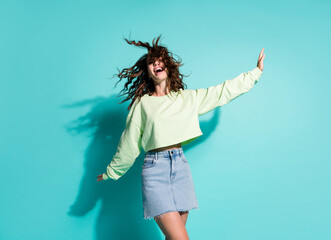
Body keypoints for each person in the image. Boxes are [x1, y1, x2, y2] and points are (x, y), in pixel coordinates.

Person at [97, 35, 266, 239]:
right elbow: (129, 141)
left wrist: (255, 73)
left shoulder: (187, 99)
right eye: (151, 62)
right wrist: (112, 171)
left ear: (168, 67)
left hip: (180, 168)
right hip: (154, 170)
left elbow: (221, 92)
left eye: (160, 61)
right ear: (148, 72)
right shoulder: (143, 104)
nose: (156, 64)